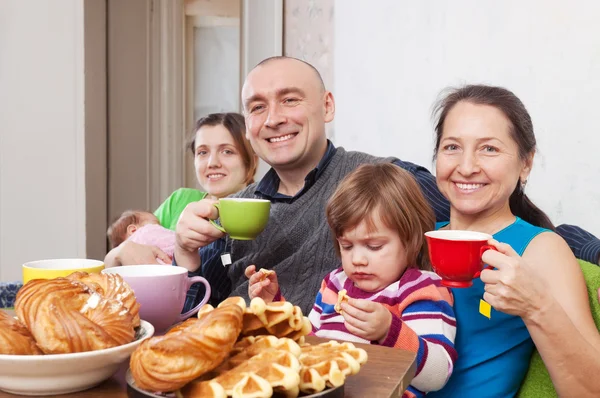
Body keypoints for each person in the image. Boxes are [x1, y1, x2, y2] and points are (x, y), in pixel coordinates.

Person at [174, 56, 600, 316]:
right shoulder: (234, 207)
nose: (273, 119)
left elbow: (485, 208)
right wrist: (186, 253)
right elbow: (199, 306)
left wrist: (577, 249)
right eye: (257, 107)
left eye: (290, 100)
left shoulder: (373, 180)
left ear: (327, 106)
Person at [424, 85, 600, 397]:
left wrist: (536, 306)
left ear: (526, 163)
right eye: (452, 147)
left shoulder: (540, 249)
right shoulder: (415, 235)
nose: (466, 167)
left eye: (489, 149)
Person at [247, 163, 457, 398]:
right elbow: (306, 348)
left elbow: (437, 375)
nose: (358, 260)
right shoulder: (335, 284)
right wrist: (275, 307)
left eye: (374, 246)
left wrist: (389, 330)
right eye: (346, 246)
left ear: (411, 241)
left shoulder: (421, 289)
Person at [105, 112, 258, 307]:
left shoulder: (259, 215)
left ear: (252, 161)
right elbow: (112, 261)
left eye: (227, 151)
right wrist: (120, 252)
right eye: (203, 152)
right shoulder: (180, 200)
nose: (212, 163)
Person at [107, 210, 175, 263]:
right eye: (155, 224)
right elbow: (173, 242)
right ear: (133, 230)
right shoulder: (144, 232)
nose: (160, 228)